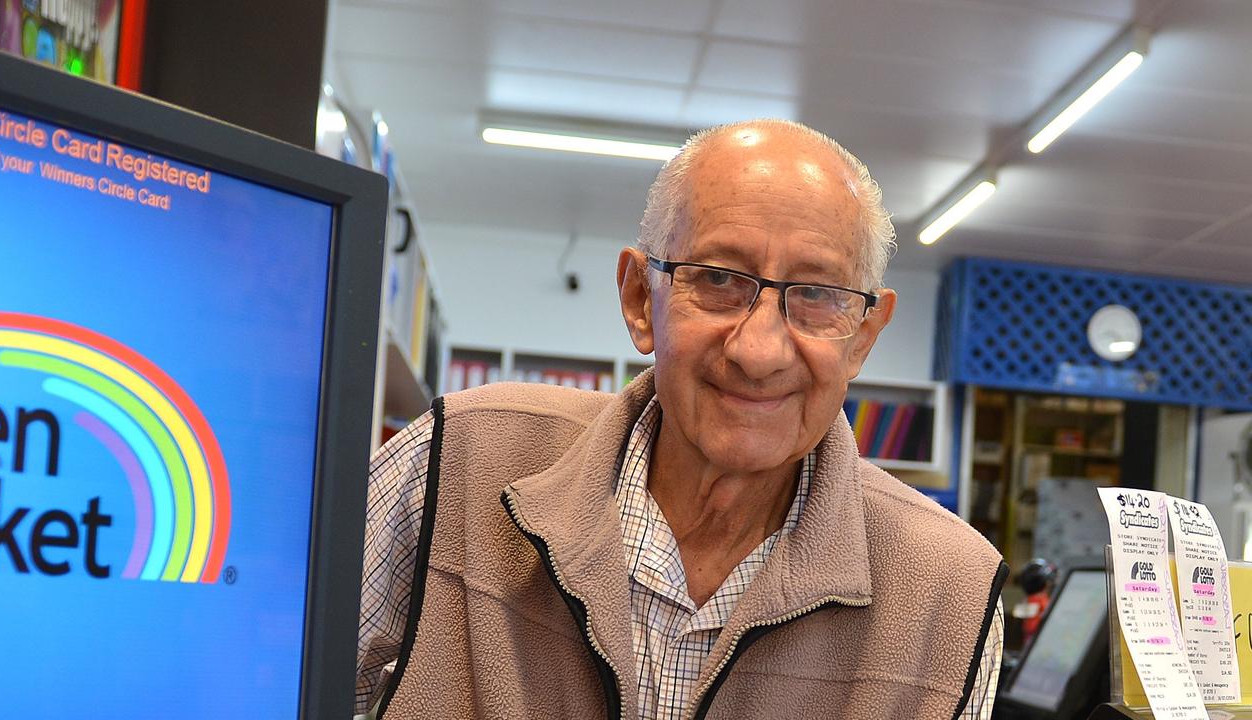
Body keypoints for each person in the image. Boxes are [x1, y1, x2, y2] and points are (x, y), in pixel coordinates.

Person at [355, 119, 1007, 719]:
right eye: (719, 279)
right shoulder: (454, 462)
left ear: (862, 336)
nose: (759, 352)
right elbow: (272, 680)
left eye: (815, 295)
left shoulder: (951, 591)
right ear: (640, 298)